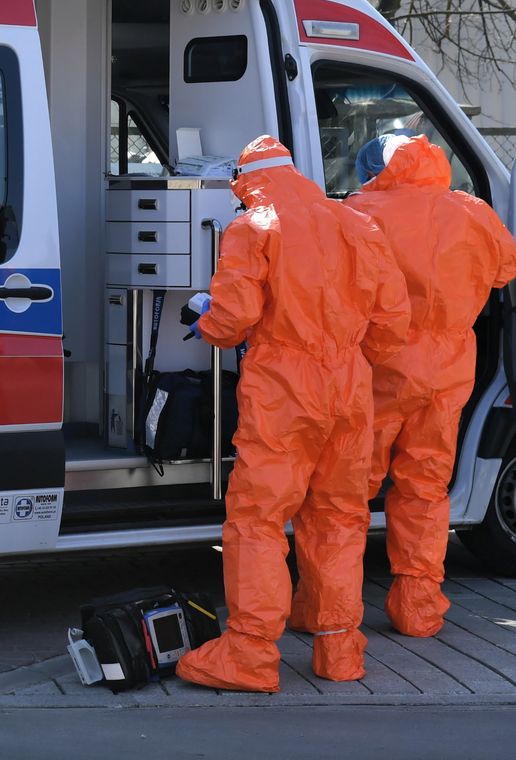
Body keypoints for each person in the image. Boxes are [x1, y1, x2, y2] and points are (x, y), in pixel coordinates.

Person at [174, 135, 410, 693]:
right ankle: (339, 651)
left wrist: (206, 322)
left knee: (257, 519)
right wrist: (346, 355)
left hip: (284, 386)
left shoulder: (253, 225)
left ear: (247, 179)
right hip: (349, 385)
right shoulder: (356, 222)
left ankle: (251, 655)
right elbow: (394, 322)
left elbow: (231, 319)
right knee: (338, 517)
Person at [334, 132, 516, 636]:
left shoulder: (359, 211)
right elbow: (504, 271)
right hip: (450, 368)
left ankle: (330, 612)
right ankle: (417, 610)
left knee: (345, 494)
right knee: (426, 488)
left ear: (376, 169)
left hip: (381, 367)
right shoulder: (474, 212)